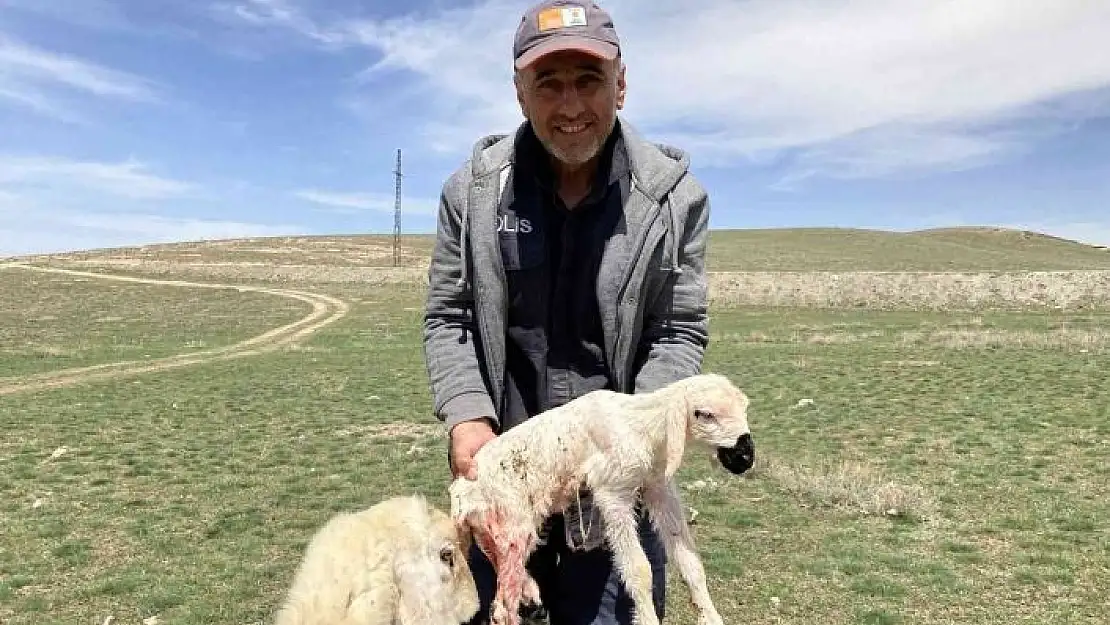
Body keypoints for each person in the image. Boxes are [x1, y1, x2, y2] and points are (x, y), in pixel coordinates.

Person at [422, 1, 713, 623]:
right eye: (548, 84)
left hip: (612, 484)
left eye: (589, 80)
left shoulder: (675, 199)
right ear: (520, 93)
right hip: (503, 469)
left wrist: (640, 426)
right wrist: (468, 417)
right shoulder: (471, 194)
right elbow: (450, 315)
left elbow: (677, 327)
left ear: (622, 84)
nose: (571, 106)